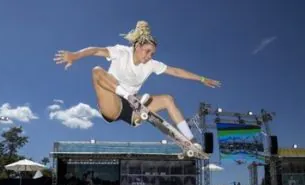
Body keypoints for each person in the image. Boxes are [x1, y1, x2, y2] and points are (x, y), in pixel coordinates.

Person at [54, 20, 221, 151]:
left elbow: (175, 72)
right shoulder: (121, 52)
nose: (149, 56)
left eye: (152, 54)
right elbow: (95, 50)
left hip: (133, 110)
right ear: (137, 46)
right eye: (147, 51)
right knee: (97, 71)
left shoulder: (151, 64)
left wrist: (201, 79)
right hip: (112, 104)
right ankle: (130, 98)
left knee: (168, 99)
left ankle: (190, 141)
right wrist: (74, 56)